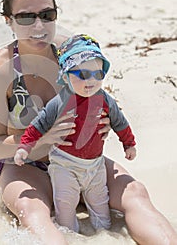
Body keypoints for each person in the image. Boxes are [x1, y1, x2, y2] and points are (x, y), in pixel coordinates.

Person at [0, 0, 177, 245]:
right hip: (28, 167)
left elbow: (102, 97)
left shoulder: (71, 52)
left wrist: (105, 119)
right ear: (8, 20)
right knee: (34, 212)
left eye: (47, 14)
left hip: (82, 161)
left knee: (136, 193)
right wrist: (44, 140)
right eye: (26, 17)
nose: (39, 26)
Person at [14, 34, 137, 233]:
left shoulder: (105, 99)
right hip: (64, 163)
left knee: (100, 205)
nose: (91, 81)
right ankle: (71, 236)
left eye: (98, 75)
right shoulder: (59, 102)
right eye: (82, 74)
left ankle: (104, 236)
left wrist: (129, 144)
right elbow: (38, 125)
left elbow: (120, 122)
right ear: (65, 76)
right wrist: (24, 147)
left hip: (95, 165)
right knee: (65, 205)